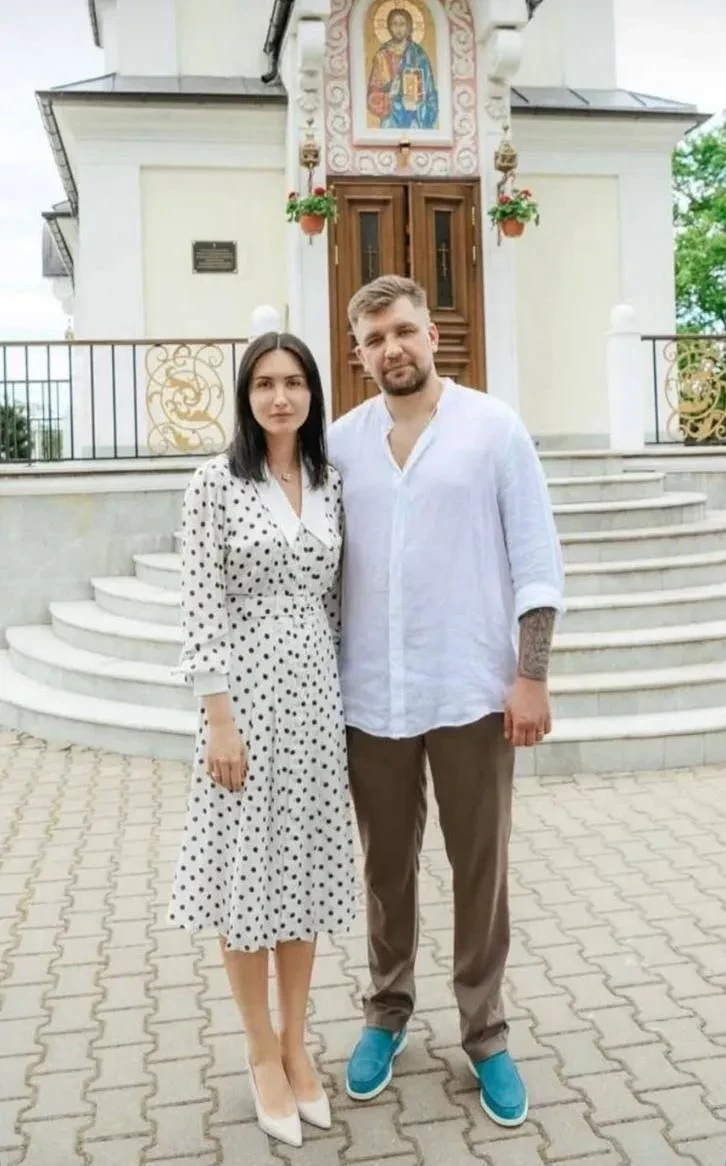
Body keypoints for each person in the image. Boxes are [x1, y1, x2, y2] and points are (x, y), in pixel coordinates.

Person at [327, 275, 565, 1128]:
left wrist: (530, 676)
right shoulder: (340, 444)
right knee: (385, 868)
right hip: (373, 695)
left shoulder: (494, 429)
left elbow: (536, 560)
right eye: (374, 339)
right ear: (359, 354)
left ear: (432, 335)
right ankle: (387, 1011)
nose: (391, 348)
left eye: (403, 331)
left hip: (471, 689)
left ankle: (485, 1031)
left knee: (479, 867)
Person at [168, 331, 356, 1149]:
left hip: (313, 698)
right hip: (242, 697)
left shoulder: (330, 480)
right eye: (264, 384)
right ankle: (258, 1051)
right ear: (246, 397)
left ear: (313, 393)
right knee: (247, 872)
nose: (281, 397)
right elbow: (200, 604)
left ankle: (295, 1042)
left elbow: (338, 604)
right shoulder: (215, 483)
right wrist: (218, 718)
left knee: (302, 872)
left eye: (294, 382)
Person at [367, 6, 438, 130]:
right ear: (389, 27)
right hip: (391, 119)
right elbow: (372, 97)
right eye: (394, 24)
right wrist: (389, 97)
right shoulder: (382, 56)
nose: (398, 29)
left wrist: (418, 105)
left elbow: (430, 92)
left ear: (408, 27)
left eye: (402, 24)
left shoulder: (418, 54)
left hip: (415, 118)